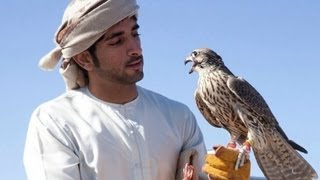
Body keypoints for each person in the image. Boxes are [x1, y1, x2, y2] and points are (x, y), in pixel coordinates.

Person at [23, 0, 250, 179]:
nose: (135, 49)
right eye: (117, 41)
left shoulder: (178, 117)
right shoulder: (55, 121)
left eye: (134, 33)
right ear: (84, 59)